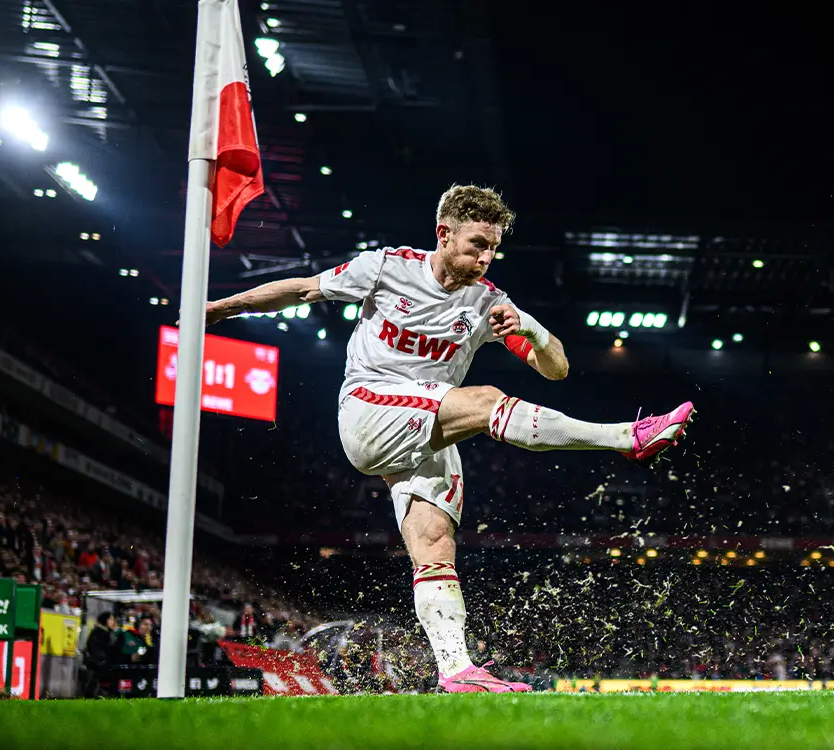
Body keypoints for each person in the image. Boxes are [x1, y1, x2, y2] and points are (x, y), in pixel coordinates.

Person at [202, 184, 694, 693]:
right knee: (485, 402)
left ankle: (456, 669)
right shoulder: (386, 268)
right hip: (369, 410)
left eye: (494, 248)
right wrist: (218, 309)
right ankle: (625, 438)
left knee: (435, 547)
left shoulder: (489, 303)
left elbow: (557, 369)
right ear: (444, 234)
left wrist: (532, 327)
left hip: (425, 426)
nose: (486, 257)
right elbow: (302, 289)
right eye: (477, 244)